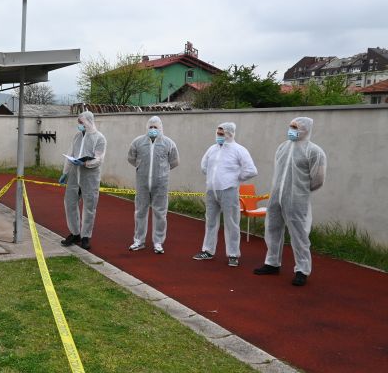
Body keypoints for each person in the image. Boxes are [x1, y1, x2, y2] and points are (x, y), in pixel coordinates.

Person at [254, 117, 327, 286]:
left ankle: (302, 270)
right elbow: (278, 172)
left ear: (305, 129)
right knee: (272, 229)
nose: (291, 130)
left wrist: (300, 191)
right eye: (291, 126)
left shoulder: (314, 151)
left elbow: (318, 179)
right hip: (276, 196)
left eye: (295, 127)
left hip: (297, 199)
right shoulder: (282, 147)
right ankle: (272, 263)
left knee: (299, 234)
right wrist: (278, 191)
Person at [193, 122, 258, 266]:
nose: (219, 136)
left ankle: (233, 254)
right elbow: (204, 166)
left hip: (229, 190)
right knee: (210, 221)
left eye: (222, 134)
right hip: (212, 190)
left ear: (230, 134)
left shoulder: (239, 150)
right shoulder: (212, 149)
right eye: (218, 133)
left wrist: (235, 178)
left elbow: (251, 170)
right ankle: (208, 250)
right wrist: (212, 177)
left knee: (232, 223)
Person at [127, 116, 180, 254]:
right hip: (142, 183)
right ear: (147, 128)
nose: (153, 129)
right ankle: (139, 240)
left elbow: (174, 161)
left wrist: (162, 171)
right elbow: (131, 158)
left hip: (161, 184)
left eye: (155, 127)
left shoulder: (169, 143)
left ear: (160, 128)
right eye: (150, 127)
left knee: (160, 213)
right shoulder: (138, 142)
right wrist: (141, 168)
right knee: (140, 211)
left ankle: (158, 242)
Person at [59, 110, 106, 251]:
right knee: (70, 203)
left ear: (88, 122)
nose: (79, 124)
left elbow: (99, 159)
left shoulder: (99, 138)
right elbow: (70, 153)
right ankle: (75, 233)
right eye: (79, 122)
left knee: (89, 207)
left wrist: (85, 163)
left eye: (81, 122)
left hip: (89, 177)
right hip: (74, 175)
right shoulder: (77, 136)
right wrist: (65, 172)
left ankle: (86, 236)